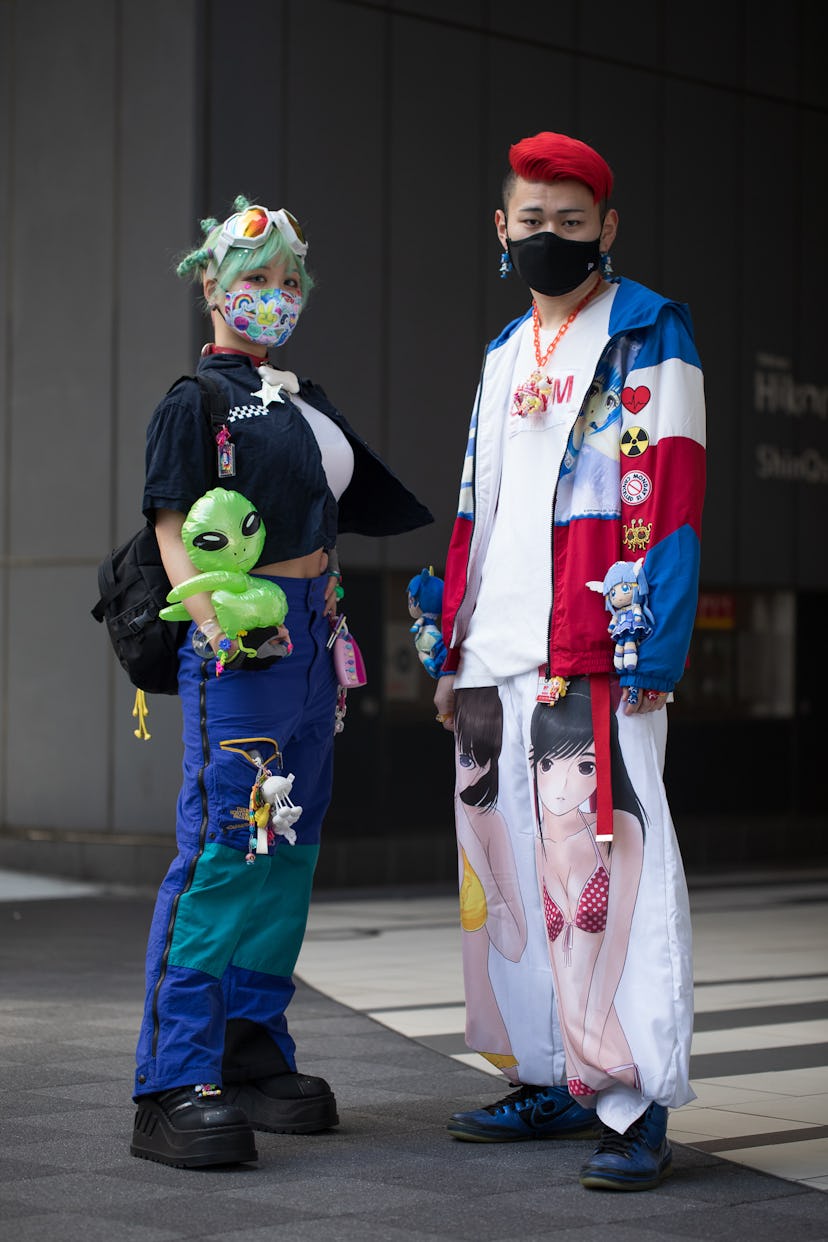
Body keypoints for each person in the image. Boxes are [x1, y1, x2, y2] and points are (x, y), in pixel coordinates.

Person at [131, 197, 432, 1169]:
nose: (273, 296)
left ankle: (251, 1048)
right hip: (243, 644)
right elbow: (171, 524)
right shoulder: (198, 400)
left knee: (285, 846)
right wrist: (211, 619)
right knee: (224, 848)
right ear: (211, 287)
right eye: (253, 279)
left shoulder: (302, 397)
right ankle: (173, 1079)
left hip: (313, 644)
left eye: (287, 280)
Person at [434, 131, 705, 1192]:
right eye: (532, 219)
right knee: (506, 879)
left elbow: (671, 486)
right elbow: (475, 506)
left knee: (613, 869)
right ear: (502, 229)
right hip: (494, 655)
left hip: (598, 641)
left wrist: (659, 638)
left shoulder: (647, 330)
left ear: (608, 229)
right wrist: (449, 643)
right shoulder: (504, 353)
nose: (551, 237)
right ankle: (548, 1073)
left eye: (572, 220)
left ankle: (634, 1099)